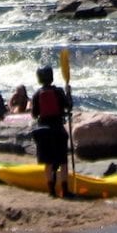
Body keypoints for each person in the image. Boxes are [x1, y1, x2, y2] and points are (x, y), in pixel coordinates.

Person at [30, 65, 73, 198]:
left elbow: (34, 114)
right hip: (58, 130)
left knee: (48, 162)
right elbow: (69, 106)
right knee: (63, 161)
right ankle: (65, 191)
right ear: (51, 77)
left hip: (43, 131)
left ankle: (51, 191)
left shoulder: (37, 94)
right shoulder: (59, 91)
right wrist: (68, 93)